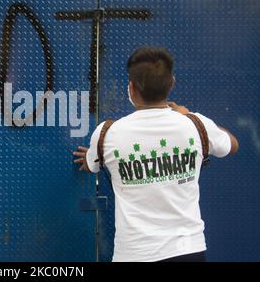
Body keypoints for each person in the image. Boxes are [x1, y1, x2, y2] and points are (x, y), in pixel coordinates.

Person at [73, 46, 239, 262]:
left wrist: (92, 156)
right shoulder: (197, 126)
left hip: (134, 255)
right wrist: (188, 116)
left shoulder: (106, 134)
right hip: (188, 251)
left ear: (131, 88)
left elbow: (90, 164)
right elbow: (231, 145)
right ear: (172, 83)